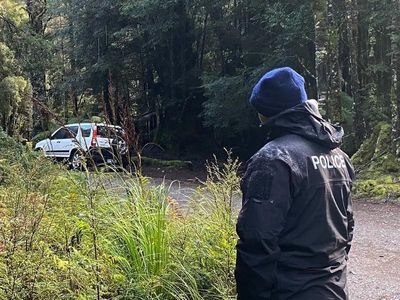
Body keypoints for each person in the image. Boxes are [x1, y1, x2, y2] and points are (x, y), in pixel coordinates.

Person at [235, 67, 355, 300]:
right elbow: (346, 227)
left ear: (264, 112)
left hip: (289, 292)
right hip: (334, 289)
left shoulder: (272, 160)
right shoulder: (339, 156)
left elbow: (257, 241)